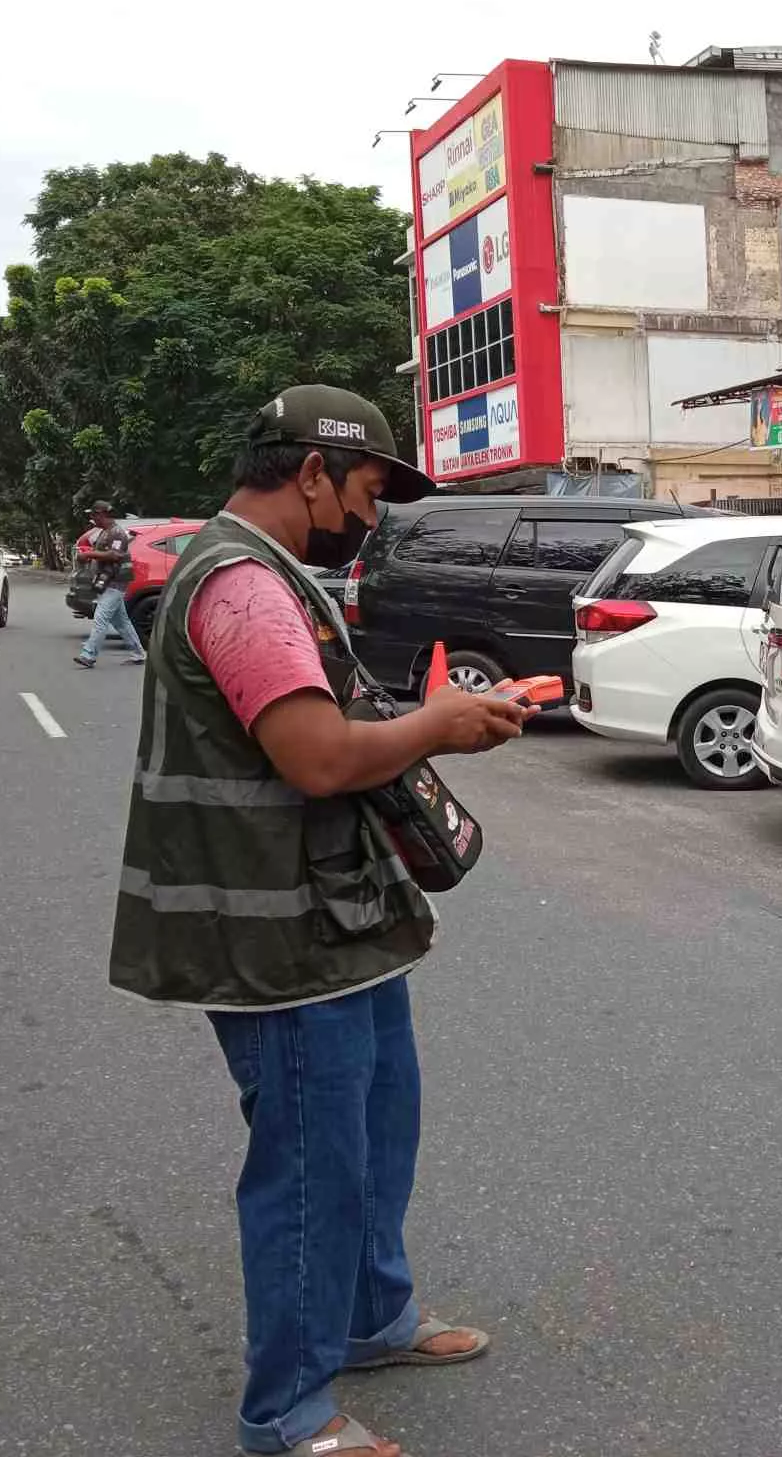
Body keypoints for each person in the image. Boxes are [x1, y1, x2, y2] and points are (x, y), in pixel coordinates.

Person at [108, 385, 532, 1457]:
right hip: (277, 937)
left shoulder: (270, 571)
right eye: (369, 491)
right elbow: (317, 756)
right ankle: (289, 1412)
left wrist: (437, 719)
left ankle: (369, 1316)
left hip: (336, 919)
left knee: (380, 1125)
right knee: (310, 1169)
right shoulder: (242, 587)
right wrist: (437, 725)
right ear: (310, 474)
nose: (373, 516)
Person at [74, 501, 144, 668]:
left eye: (94, 515)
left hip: (116, 581)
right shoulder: (105, 532)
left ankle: (89, 655)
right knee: (122, 622)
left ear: (102, 514)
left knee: (101, 618)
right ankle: (138, 654)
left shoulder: (117, 533)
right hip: (108, 580)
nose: (92, 518)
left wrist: (89, 555)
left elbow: (115, 555)